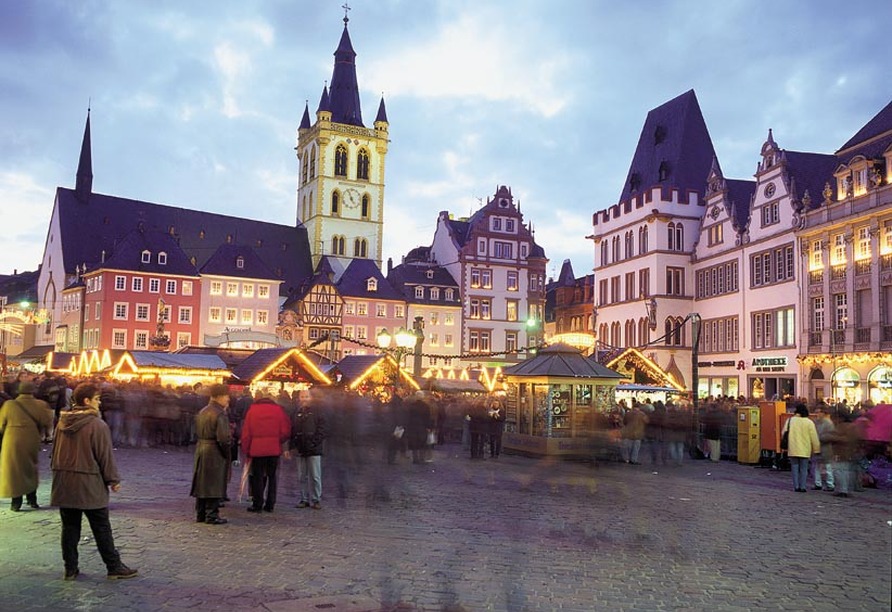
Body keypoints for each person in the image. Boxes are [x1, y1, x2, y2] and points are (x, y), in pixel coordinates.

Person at [50, 382, 137, 580]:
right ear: (86, 401)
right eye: (97, 399)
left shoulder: (62, 422)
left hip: (65, 482)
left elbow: (54, 453)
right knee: (101, 527)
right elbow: (104, 456)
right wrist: (113, 479)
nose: (99, 403)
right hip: (89, 482)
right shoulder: (97, 425)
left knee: (70, 528)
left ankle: (70, 568)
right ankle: (114, 566)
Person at [0, 381, 54, 511]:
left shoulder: (9, 405)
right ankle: (32, 499)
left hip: (12, 439)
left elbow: (1, 424)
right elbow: (48, 421)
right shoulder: (40, 404)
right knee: (30, 468)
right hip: (31, 438)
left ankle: (16, 502)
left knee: (15, 470)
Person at [241, 390, 291, 513]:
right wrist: (278, 441)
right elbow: (286, 431)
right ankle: (270, 503)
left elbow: (246, 433)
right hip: (273, 449)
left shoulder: (252, 411)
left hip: (257, 449)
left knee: (258, 477)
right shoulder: (279, 410)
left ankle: (257, 503)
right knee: (272, 476)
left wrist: (246, 449)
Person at [189, 384, 231, 525]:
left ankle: (200, 513)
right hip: (214, 451)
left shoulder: (203, 411)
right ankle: (211, 514)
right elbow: (223, 438)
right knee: (214, 483)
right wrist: (227, 453)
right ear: (219, 396)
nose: (228, 399)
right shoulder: (220, 413)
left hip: (201, 448)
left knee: (202, 482)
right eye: (226, 396)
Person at [288, 390, 327, 509]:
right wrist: (292, 446)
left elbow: (322, 429)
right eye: (302, 396)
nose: (304, 398)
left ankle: (316, 499)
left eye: (306, 396)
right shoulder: (296, 412)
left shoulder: (318, 411)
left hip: (314, 448)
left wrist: (314, 442)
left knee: (315, 476)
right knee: (302, 476)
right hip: (301, 448)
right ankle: (304, 498)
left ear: (311, 397)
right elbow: (292, 430)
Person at [785, 404, 821, 492]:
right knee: (804, 468)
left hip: (793, 448)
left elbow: (784, 433)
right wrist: (817, 449)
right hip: (805, 449)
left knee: (794, 467)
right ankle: (803, 486)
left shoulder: (790, 420)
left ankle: (796, 486)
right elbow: (814, 437)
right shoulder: (809, 422)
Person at [812, 406, 836, 492]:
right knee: (817, 466)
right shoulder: (815, 422)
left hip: (826, 447)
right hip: (817, 447)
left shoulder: (828, 423)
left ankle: (830, 484)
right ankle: (818, 483)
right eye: (816, 412)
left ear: (823, 413)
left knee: (828, 467)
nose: (817, 414)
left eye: (818, 412)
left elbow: (831, 435)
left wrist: (820, 438)